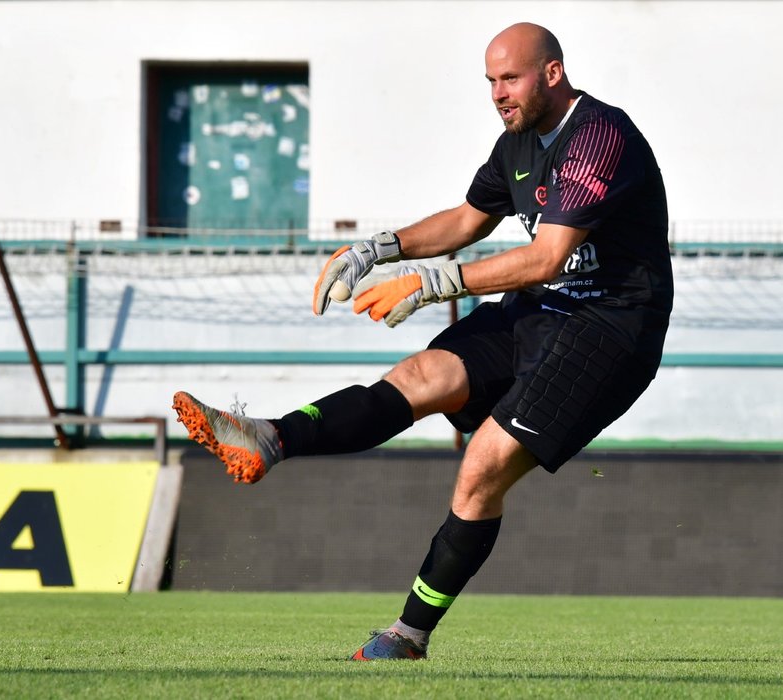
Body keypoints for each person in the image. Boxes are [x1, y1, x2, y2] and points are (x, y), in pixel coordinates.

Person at [173, 22, 672, 661]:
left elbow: (548, 256)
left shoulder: (601, 136)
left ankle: (408, 635)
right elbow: (467, 219)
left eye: (510, 78)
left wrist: (435, 282)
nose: (498, 93)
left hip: (612, 328)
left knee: (481, 467)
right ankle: (270, 437)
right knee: (420, 375)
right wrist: (377, 249)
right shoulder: (516, 142)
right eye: (490, 81)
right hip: (542, 310)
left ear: (552, 72)